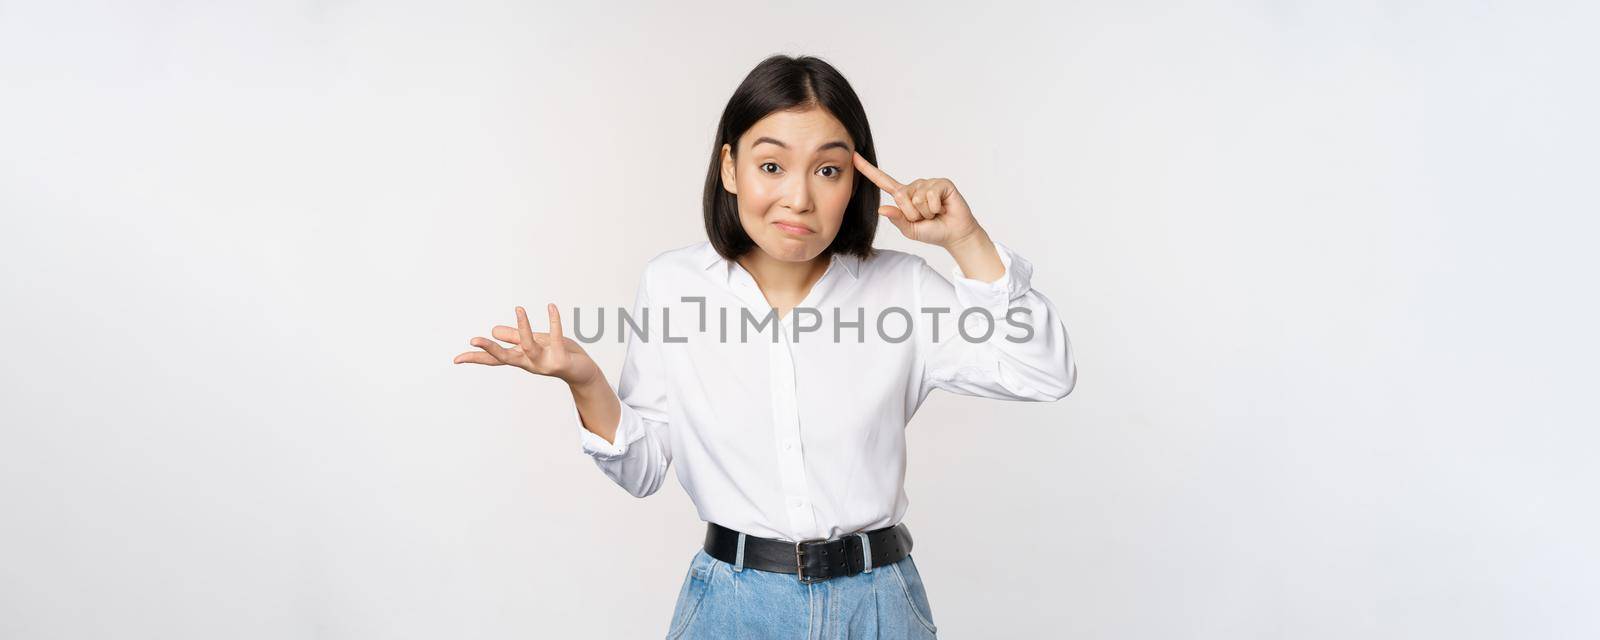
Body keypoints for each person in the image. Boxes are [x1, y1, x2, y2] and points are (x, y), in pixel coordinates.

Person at [454, 54, 1078, 639]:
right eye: (772, 165)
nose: (799, 198)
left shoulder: (903, 289)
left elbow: (1045, 373)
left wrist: (966, 240)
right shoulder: (673, 285)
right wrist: (584, 380)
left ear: (854, 179)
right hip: (731, 606)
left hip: (879, 604)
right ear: (730, 167)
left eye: (828, 170)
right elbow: (643, 471)